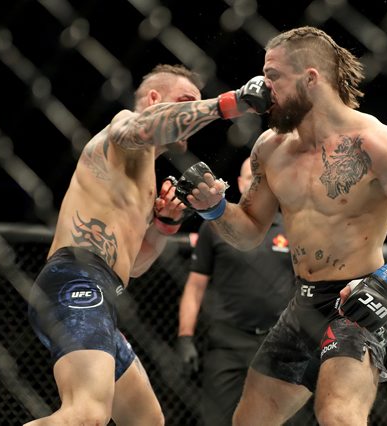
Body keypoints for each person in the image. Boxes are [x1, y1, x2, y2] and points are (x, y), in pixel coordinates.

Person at [179, 26, 387, 426]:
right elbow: (249, 233)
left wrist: (385, 283)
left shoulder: (376, 143)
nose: (261, 85)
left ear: (310, 78)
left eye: (273, 75)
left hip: (357, 299)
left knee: (339, 416)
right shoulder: (270, 149)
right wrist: (215, 208)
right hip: (302, 302)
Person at [25, 64, 273, 426]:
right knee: (87, 414)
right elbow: (142, 126)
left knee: (147, 421)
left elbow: (134, 265)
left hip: (104, 290)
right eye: (187, 102)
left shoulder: (147, 178)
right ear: (155, 100)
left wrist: (165, 223)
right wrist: (229, 104)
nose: (193, 112)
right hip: (75, 280)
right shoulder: (124, 127)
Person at [177, 157, 313, 426]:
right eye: (250, 179)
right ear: (239, 183)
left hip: (277, 342)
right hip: (226, 343)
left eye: (260, 180)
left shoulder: (292, 226)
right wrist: (185, 336)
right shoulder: (214, 225)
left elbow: (307, 284)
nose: (255, 186)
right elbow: (195, 285)